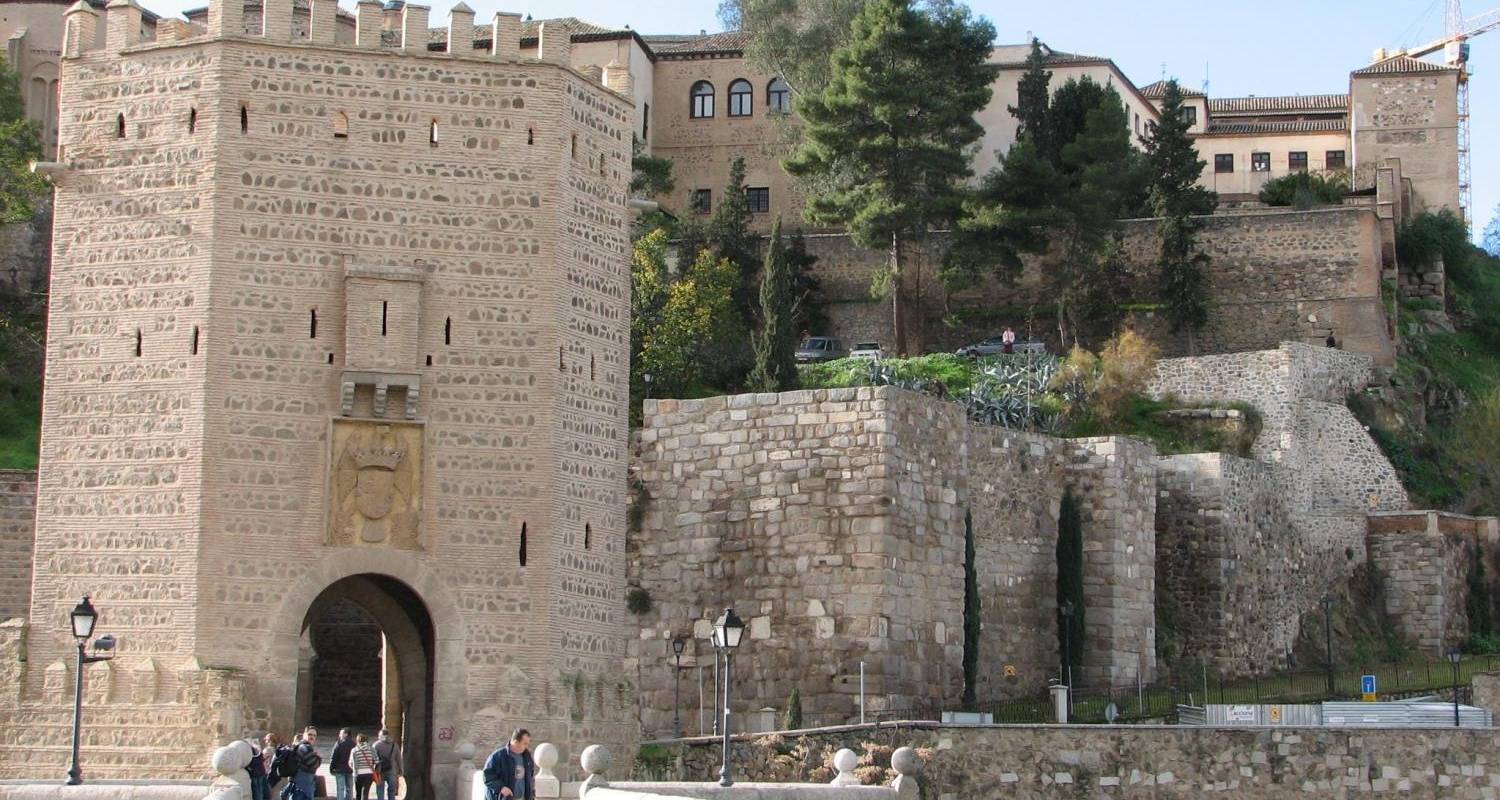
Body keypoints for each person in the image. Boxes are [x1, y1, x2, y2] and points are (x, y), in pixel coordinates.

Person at [482, 729, 536, 800]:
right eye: (525, 743)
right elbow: (487, 776)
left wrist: (532, 794)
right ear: (516, 742)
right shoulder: (498, 756)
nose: (527, 746)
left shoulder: (527, 757)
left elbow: (531, 778)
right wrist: (501, 787)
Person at [372, 728, 403, 800]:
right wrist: (401, 770)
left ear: (381, 735)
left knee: (380, 789)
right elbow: (399, 759)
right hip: (392, 770)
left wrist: (373, 770)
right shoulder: (394, 745)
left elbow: (372, 759)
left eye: (379, 735)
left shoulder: (376, 745)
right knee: (392, 790)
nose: (378, 737)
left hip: (380, 770)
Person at [292, 727, 322, 800]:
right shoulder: (305, 747)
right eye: (310, 734)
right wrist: (318, 758)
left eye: (314, 735)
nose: (312, 737)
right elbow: (313, 763)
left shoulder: (303, 746)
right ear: (304, 735)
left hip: (304, 781)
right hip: (303, 782)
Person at [351, 733, 378, 800]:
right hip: (369, 774)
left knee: (358, 793)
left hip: (358, 774)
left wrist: (354, 771)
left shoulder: (354, 750)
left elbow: (352, 763)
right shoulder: (371, 749)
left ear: (357, 741)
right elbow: (377, 761)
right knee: (365, 793)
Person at [329, 727, 355, 800]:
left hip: (339, 770)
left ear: (346, 734)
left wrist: (331, 768)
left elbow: (333, 757)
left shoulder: (339, 744)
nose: (339, 735)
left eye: (341, 733)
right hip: (350, 770)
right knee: (349, 789)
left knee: (340, 789)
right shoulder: (354, 744)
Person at [246, 735, 270, 800]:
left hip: (254, 773)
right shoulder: (258, 749)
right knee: (260, 790)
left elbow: (250, 762)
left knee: (257, 791)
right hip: (261, 772)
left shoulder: (249, 750)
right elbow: (261, 760)